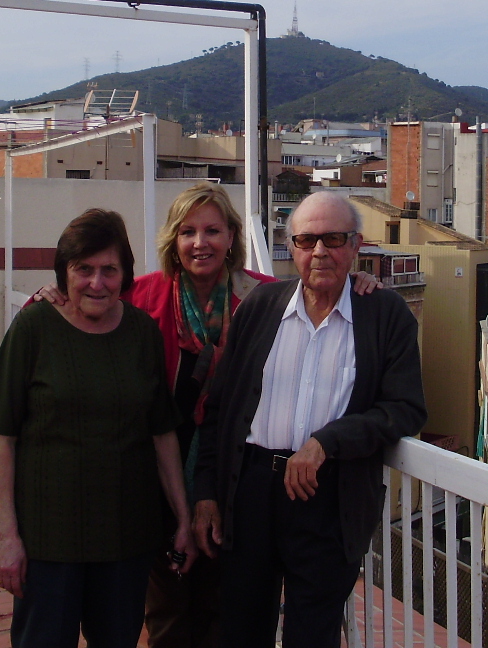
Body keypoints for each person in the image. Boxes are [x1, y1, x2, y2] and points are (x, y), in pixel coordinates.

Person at [32, 183, 379, 648]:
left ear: (232, 237)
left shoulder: (260, 298)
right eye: (188, 231)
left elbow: (321, 288)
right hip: (156, 477)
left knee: (224, 608)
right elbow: (91, 300)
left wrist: (362, 284)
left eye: (213, 230)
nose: (201, 243)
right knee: (168, 607)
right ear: (173, 241)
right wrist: (55, 294)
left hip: (227, 478)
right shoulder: (142, 296)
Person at [191, 191, 426, 648]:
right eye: (307, 240)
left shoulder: (383, 314)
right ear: (292, 247)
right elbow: (219, 410)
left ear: (356, 245)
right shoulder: (260, 307)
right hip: (251, 492)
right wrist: (205, 494)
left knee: (312, 634)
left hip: (329, 496)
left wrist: (327, 442)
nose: (320, 251)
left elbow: (406, 408)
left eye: (334, 239)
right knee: (240, 628)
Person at [0, 208, 196, 648]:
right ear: (64, 273)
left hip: (126, 542)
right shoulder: (35, 328)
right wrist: (7, 537)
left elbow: (162, 436)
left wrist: (183, 518)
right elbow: (2, 439)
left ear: (125, 275)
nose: (97, 283)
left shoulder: (141, 334)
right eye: (84, 269)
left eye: (109, 270)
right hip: (48, 545)